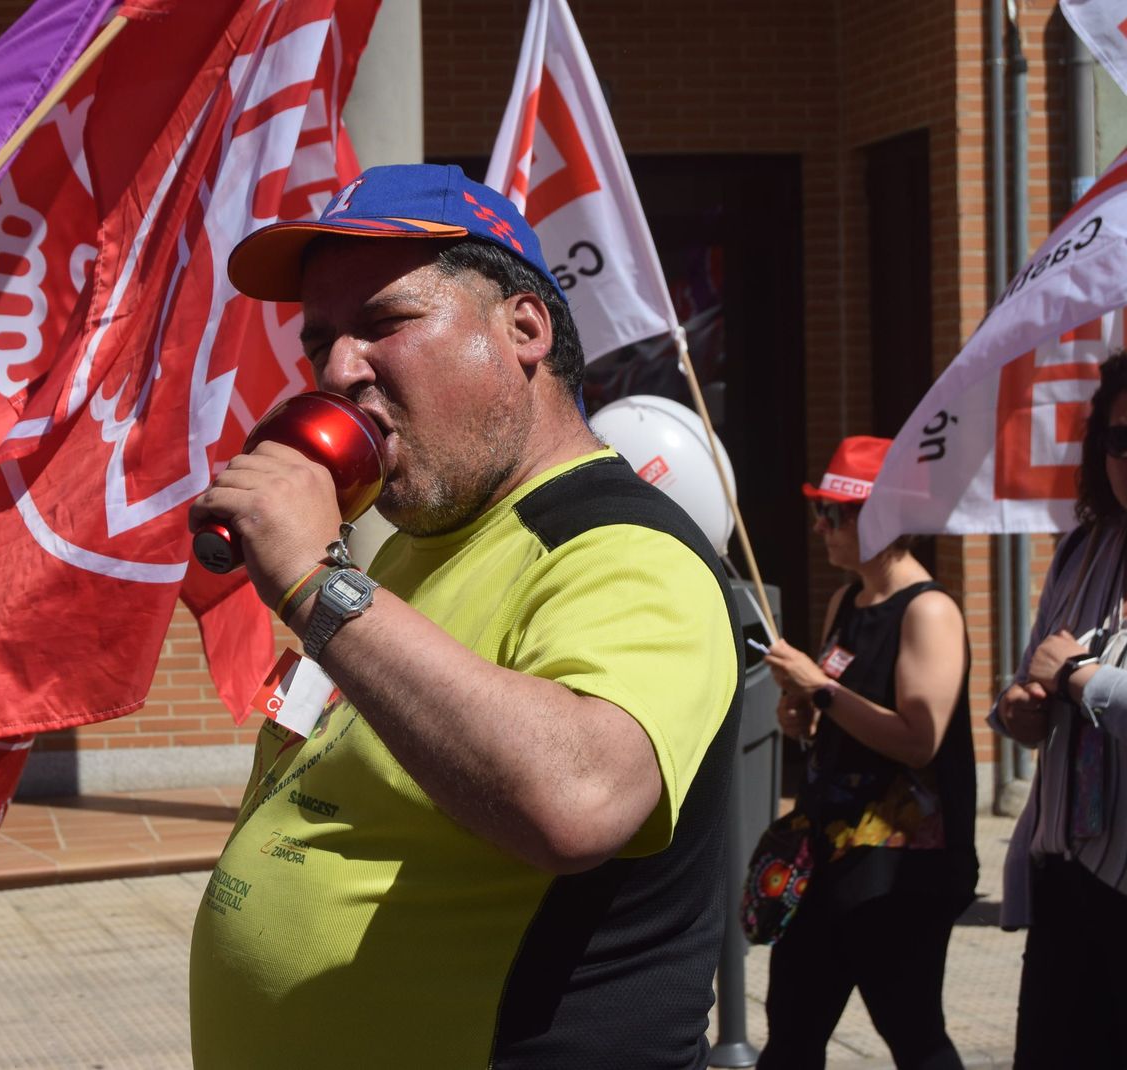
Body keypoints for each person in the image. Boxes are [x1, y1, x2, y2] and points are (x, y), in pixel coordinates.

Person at [187, 164, 742, 1068]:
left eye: (384, 324)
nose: (337, 371)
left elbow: (579, 797)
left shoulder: (623, 546)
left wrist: (315, 586)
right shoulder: (423, 540)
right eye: (320, 339)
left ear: (523, 328)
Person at [759, 436, 976, 1070]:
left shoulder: (929, 610)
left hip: (898, 870)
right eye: (819, 513)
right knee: (792, 1029)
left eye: (834, 513)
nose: (821, 527)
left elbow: (919, 739)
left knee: (911, 1030)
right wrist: (799, 711)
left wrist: (820, 690)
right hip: (828, 851)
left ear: (879, 516)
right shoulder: (845, 601)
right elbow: (833, 720)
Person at [993, 351, 1127, 1068]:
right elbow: (1030, 682)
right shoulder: (1083, 548)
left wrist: (1079, 676)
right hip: (1066, 874)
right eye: (1120, 438)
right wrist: (1024, 707)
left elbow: (1069, 670)